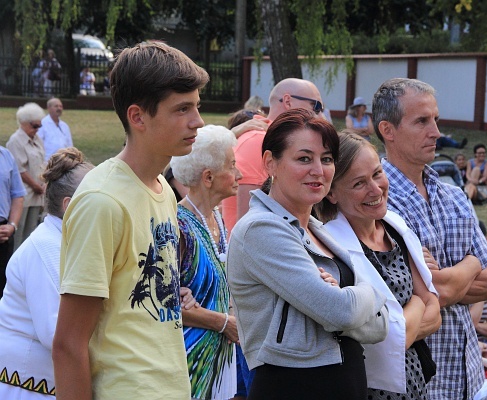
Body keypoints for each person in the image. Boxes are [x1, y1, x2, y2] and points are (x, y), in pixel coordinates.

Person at [52, 41, 209, 400]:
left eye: (196, 107)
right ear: (138, 117)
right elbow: (68, 344)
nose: (198, 121)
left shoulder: (164, 190)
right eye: (182, 109)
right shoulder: (102, 201)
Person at [227, 109, 389, 400]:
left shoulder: (318, 229)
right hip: (293, 386)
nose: (319, 169)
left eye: (326, 159)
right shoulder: (260, 229)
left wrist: (349, 298)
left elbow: (381, 324)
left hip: (346, 382)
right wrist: (369, 291)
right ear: (270, 163)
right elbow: (340, 312)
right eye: (304, 158)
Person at [372, 78, 487, 399]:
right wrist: (472, 263)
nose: (436, 132)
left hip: (467, 375)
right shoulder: (377, 202)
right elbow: (421, 292)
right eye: (421, 122)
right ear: (388, 130)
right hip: (418, 382)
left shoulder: (455, 196)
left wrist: (442, 278)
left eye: (436, 120)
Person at [316, 131, 441, 399]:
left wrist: (406, 322)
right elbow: (385, 339)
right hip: (366, 391)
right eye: (359, 183)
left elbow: (435, 312)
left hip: (414, 386)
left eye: (377, 174)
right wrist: (417, 305)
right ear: (333, 193)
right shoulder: (330, 248)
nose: (375, 189)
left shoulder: (395, 229)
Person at [0, 147, 93, 399]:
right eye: (99, 198)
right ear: (70, 206)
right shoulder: (47, 248)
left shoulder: (66, 243)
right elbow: (56, 333)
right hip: (29, 385)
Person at [170, 125, 242, 399]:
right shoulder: (178, 225)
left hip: (218, 360)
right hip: (189, 363)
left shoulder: (217, 220)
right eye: (232, 166)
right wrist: (224, 322)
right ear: (208, 177)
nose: (240, 174)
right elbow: (164, 304)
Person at [221, 78, 326, 234]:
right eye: (316, 106)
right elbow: (249, 225)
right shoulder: (258, 141)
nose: (321, 117)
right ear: (288, 101)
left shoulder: (266, 138)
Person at [6, 102, 46, 249]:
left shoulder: (38, 140)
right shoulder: (15, 141)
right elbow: (19, 169)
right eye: (34, 126)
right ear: (23, 123)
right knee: (19, 232)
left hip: (37, 194)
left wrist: (44, 183)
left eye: (39, 126)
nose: (37, 130)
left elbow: (43, 163)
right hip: (24, 194)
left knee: (32, 233)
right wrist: (36, 185)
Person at [0, 146, 25, 296]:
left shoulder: (6, 155)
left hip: (4, 233)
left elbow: (17, 195)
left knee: (3, 288)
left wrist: (12, 226)